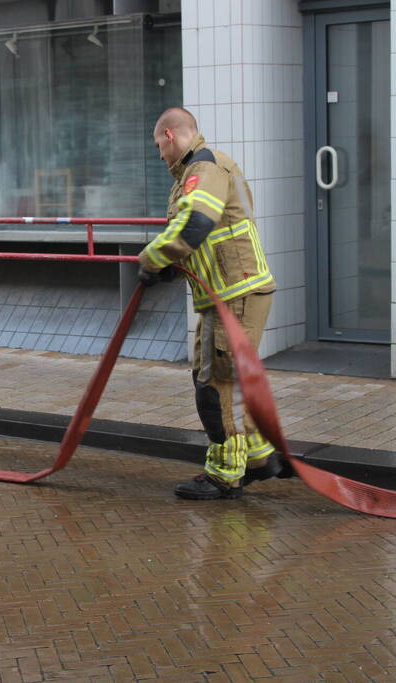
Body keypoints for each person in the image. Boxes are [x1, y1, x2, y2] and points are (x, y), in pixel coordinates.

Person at [139, 107, 291, 500]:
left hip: (232, 292)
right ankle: (258, 459)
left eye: (159, 145)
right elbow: (201, 233)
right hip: (230, 292)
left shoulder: (203, 169)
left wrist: (152, 259)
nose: (159, 155)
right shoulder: (204, 170)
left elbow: (196, 224)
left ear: (170, 136)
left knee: (213, 383)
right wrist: (174, 266)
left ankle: (224, 473)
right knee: (230, 378)